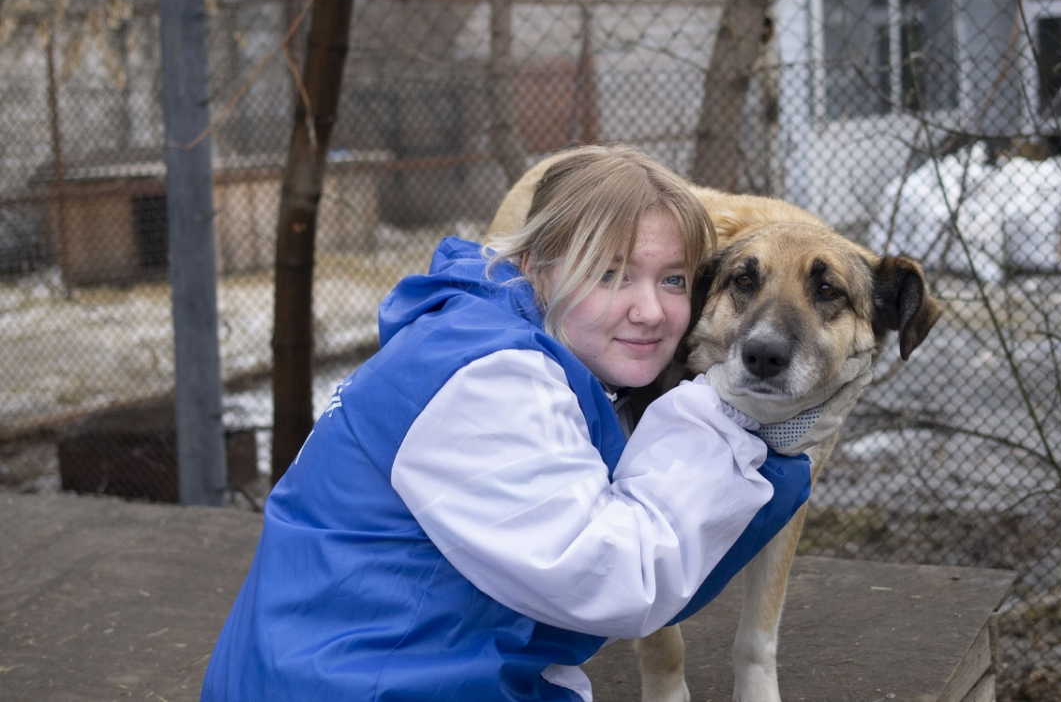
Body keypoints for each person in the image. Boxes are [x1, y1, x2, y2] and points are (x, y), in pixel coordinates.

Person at [201, 144, 817, 702]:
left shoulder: (483, 337)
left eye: (674, 280)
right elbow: (616, 578)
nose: (651, 310)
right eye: (610, 273)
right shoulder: (486, 381)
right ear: (536, 264)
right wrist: (744, 419)